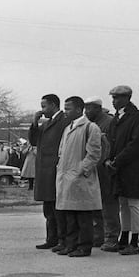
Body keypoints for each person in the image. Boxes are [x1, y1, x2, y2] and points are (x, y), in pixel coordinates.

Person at [101, 85, 139, 255]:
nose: (114, 101)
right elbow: (111, 142)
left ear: (128, 97)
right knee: (123, 204)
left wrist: (117, 160)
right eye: (113, 98)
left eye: (118, 97)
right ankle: (124, 236)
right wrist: (108, 159)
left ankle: (134, 241)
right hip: (118, 168)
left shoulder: (136, 118)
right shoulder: (116, 118)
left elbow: (135, 144)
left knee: (133, 203)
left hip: (131, 168)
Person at [55, 96, 102, 257]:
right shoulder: (68, 128)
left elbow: (94, 154)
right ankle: (71, 244)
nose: (65, 111)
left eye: (68, 108)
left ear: (78, 109)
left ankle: (84, 246)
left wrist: (80, 170)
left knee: (83, 215)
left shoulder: (90, 127)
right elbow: (61, 152)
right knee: (70, 215)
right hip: (66, 177)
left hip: (80, 178)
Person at [29, 94, 71, 250]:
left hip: (55, 169)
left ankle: (62, 239)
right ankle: (51, 238)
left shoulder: (64, 121)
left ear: (53, 105)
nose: (42, 110)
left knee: (57, 207)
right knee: (49, 208)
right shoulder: (47, 123)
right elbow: (34, 140)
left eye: (44, 106)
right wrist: (34, 123)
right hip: (45, 170)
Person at [84, 96, 116, 248]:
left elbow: (110, 146)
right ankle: (98, 235)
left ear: (97, 108)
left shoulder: (109, 123)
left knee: (107, 204)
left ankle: (111, 236)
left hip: (105, 169)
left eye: (89, 108)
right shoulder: (89, 124)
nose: (86, 111)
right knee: (95, 203)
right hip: (93, 169)